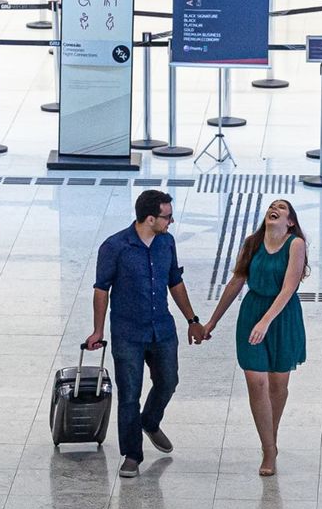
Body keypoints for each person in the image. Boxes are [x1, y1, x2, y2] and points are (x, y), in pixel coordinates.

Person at [86, 189, 207, 478]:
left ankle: (150, 421)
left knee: (169, 381)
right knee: (129, 394)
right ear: (149, 218)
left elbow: (174, 283)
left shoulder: (166, 242)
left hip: (161, 328)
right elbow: (101, 290)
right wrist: (98, 330)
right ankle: (132, 454)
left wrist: (192, 319)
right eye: (167, 217)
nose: (171, 221)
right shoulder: (115, 247)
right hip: (128, 332)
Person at [203, 199, 308, 477]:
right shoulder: (252, 243)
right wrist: (212, 321)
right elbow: (236, 281)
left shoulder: (295, 245)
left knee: (278, 384)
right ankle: (269, 448)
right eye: (273, 206)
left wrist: (267, 321)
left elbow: (288, 289)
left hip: (282, 317)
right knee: (256, 381)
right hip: (252, 313)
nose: (275, 209)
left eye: (283, 208)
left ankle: (271, 435)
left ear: (291, 221)